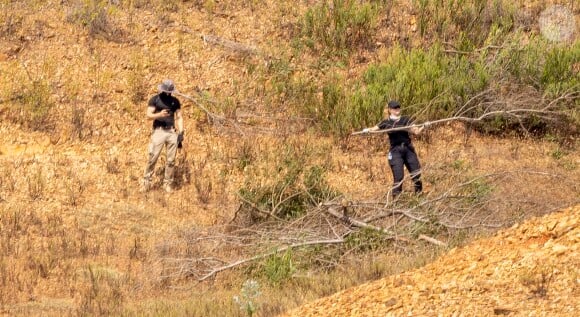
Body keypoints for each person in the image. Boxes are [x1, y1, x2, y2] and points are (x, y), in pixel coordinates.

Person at [362, 100, 429, 197]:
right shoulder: (386, 122)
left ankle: (419, 197)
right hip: (395, 151)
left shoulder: (406, 120)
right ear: (390, 110)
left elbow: (416, 131)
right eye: (394, 108)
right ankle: (396, 202)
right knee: (399, 177)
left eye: (398, 107)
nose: (397, 109)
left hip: (408, 149)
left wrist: (424, 126)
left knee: (416, 174)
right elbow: (374, 129)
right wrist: (367, 130)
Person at [142, 79, 184, 193]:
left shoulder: (175, 101)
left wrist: (181, 132)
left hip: (171, 131)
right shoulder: (155, 99)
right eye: (166, 90)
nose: (168, 93)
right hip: (159, 130)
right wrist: (159, 114)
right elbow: (148, 115)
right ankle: (146, 183)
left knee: (171, 160)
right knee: (153, 157)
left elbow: (179, 117)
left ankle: (167, 184)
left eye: (169, 91)